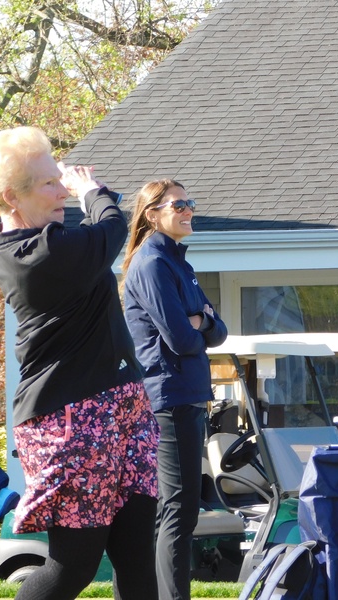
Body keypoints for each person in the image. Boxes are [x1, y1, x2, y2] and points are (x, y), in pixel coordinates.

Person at [0, 126, 159, 600]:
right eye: (49, 184)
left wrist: (65, 182)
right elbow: (112, 227)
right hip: (69, 417)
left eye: (60, 180)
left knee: (137, 555)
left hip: (123, 402)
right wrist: (90, 188)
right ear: (12, 197)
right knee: (75, 564)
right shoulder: (36, 255)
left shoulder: (52, 240)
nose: (62, 193)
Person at [121, 179, 228, 600]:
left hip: (187, 396)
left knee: (174, 511)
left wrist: (200, 321)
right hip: (169, 399)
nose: (188, 210)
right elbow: (183, 339)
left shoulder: (177, 263)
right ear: (153, 215)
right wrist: (199, 321)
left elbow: (217, 330)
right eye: (178, 205)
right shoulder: (152, 264)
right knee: (179, 512)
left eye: (190, 203)